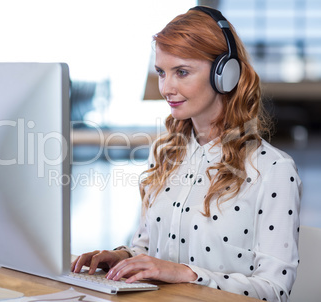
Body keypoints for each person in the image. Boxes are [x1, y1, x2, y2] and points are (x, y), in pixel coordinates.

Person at [71, 6, 302, 302]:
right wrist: (121, 258)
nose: (167, 88)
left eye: (181, 72)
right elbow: (145, 248)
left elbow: (274, 291)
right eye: (161, 73)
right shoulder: (164, 154)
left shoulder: (272, 169)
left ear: (225, 74)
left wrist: (187, 274)